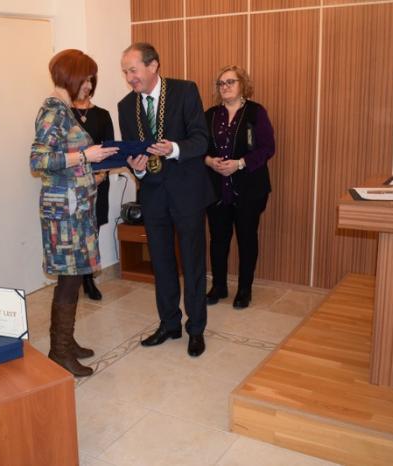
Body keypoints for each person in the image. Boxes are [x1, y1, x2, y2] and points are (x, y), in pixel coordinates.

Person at [119, 42, 214, 357]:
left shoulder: (185, 91)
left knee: (193, 262)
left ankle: (196, 329)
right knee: (160, 262)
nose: (129, 78)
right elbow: (132, 152)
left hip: (188, 192)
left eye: (133, 70)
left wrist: (173, 149)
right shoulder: (125, 106)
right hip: (152, 195)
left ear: (153, 66)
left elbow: (201, 139)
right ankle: (169, 323)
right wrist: (137, 169)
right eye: (125, 72)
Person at [30, 49, 118, 377]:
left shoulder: (64, 109)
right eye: (86, 78)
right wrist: (85, 156)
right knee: (68, 279)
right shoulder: (52, 110)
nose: (89, 85)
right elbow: (38, 160)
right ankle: (59, 351)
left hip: (76, 208)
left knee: (75, 275)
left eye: (92, 79)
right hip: (63, 214)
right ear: (71, 76)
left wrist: (96, 159)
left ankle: (66, 342)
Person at [204, 65, 275, 309]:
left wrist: (240, 163)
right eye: (221, 83)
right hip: (216, 188)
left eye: (230, 82)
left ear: (242, 84)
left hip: (250, 188)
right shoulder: (210, 115)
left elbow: (267, 148)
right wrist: (209, 161)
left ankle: (245, 289)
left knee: (246, 238)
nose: (225, 87)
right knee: (218, 239)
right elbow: (198, 146)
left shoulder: (256, 112)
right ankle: (219, 286)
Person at [71, 80, 115, 301]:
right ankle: (74, 278)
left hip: (99, 180)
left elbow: (109, 149)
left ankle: (89, 278)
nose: (86, 86)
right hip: (73, 184)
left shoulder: (103, 115)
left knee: (92, 230)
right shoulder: (64, 114)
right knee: (74, 232)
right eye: (82, 81)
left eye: (90, 81)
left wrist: (100, 176)